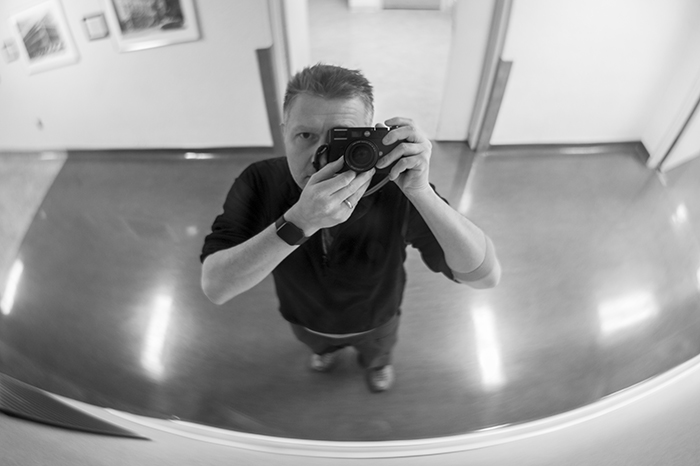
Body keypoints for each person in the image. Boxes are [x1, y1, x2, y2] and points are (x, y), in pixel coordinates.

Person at [200, 64, 501, 393]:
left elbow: (485, 277)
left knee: (378, 354)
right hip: (304, 317)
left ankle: (377, 365)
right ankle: (325, 352)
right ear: (284, 132)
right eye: (305, 136)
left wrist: (421, 193)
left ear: (369, 137)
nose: (320, 157)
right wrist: (299, 222)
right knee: (318, 346)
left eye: (339, 139)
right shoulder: (260, 181)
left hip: (377, 319)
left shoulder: (393, 186)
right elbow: (216, 286)